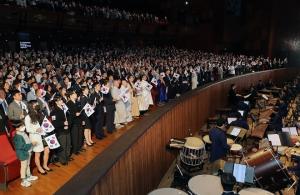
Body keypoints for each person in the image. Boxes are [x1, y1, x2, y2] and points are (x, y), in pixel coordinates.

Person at [13, 121, 38, 187]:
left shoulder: (23, 133)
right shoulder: (18, 136)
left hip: (27, 152)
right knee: (24, 167)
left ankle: (28, 176)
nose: (23, 127)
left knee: (27, 165)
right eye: (21, 126)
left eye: (23, 125)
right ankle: (23, 180)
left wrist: (30, 143)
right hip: (22, 153)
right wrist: (31, 144)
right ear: (17, 128)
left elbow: (27, 141)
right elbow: (22, 146)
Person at [25, 100, 47, 175]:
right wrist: (36, 130)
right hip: (34, 137)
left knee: (41, 152)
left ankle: (41, 166)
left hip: (41, 135)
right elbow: (27, 129)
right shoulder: (28, 117)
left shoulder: (38, 113)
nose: (37, 105)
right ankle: (39, 168)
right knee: (37, 153)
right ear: (32, 106)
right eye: (36, 104)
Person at [50, 95, 71, 165]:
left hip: (67, 129)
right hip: (61, 131)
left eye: (62, 100)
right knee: (63, 146)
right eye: (60, 100)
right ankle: (63, 160)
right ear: (56, 102)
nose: (62, 101)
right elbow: (54, 123)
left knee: (68, 144)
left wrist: (67, 124)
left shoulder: (64, 108)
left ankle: (67, 157)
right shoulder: (54, 111)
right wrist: (63, 124)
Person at [67, 89, 84, 154]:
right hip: (74, 122)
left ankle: (79, 148)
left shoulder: (77, 102)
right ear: (71, 95)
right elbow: (68, 114)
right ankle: (75, 150)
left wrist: (82, 120)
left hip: (79, 121)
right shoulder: (68, 103)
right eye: (74, 94)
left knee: (80, 135)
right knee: (75, 136)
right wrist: (75, 114)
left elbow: (80, 111)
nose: (76, 94)